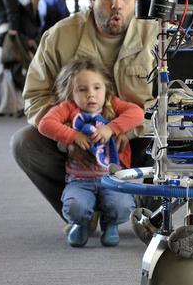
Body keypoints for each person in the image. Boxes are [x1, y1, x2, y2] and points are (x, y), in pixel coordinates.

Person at [11, 0, 158, 221]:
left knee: (179, 144)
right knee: (24, 143)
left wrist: (126, 130)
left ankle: (144, 213)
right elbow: (35, 97)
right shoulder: (60, 36)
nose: (117, 4)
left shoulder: (157, 36)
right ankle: (80, 213)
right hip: (80, 139)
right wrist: (68, 137)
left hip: (139, 137)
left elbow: (180, 101)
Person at [38, 58, 144, 247]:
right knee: (75, 207)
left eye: (97, 88)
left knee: (122, 206)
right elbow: (45, 124)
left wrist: (112, 128)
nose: (91, 95)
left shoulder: (111, 105)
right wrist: (73, 136)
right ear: (71, 92)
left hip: (112, 178)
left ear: (106, 89)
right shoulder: (69, 108)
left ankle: (110, 224)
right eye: (82, 89)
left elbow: (136, 113)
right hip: (80, 180)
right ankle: (81, 223)